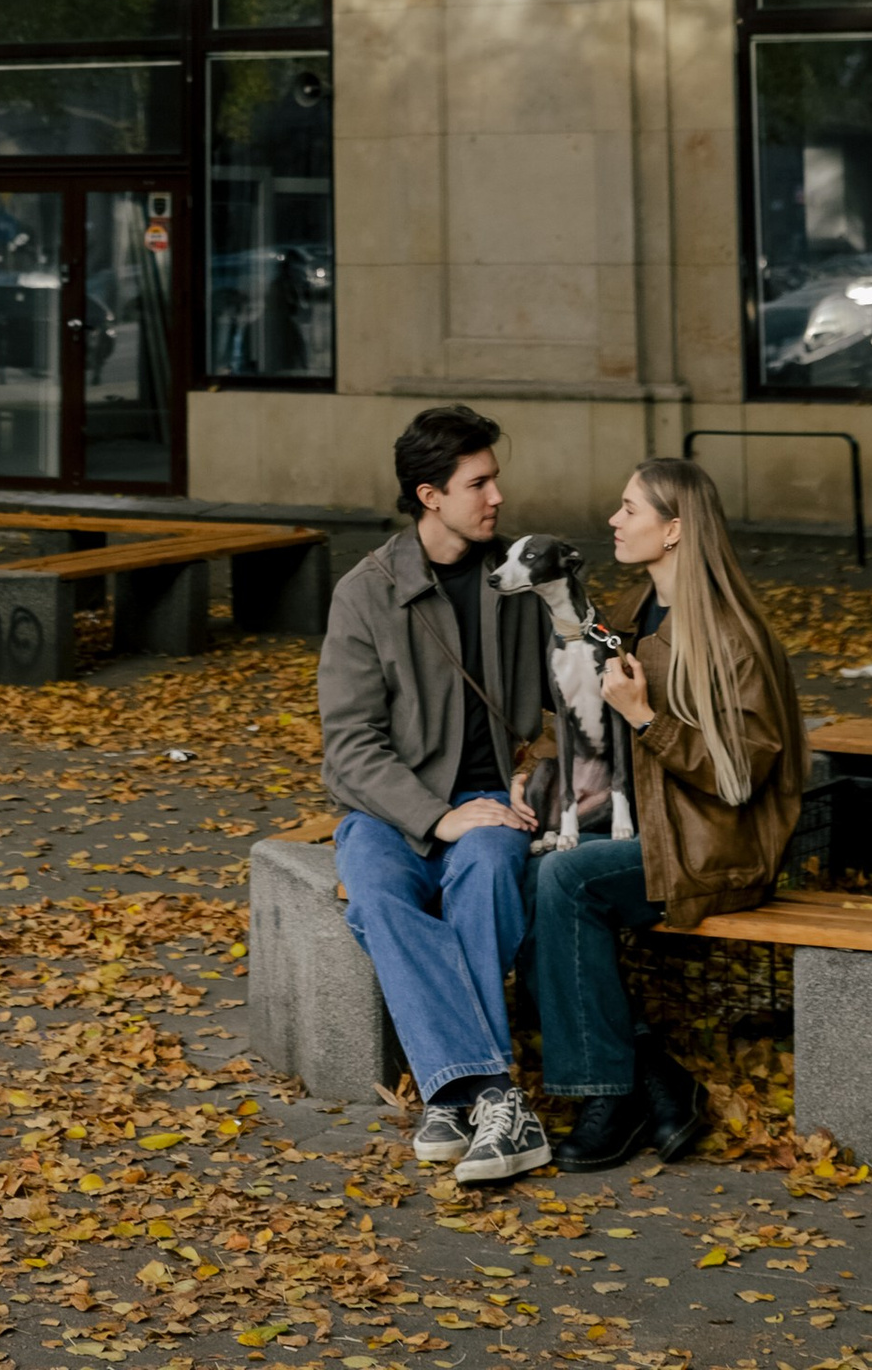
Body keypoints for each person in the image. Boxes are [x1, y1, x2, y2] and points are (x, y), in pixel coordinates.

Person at [529, 455, 808, 1167]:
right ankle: (652, 1074)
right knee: (514, 867)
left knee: (565, 883)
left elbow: (741, 775)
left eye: (630, 509)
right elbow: (577, 715)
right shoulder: (625, 614)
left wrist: (648, 718)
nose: (614, 521)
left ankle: (607, 1093)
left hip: (716, 844)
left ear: (676, 528)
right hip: (649, 824)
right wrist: (534, 776)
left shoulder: (731, 635)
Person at [319, 404, 556, 1187]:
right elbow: (349, 747)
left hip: (495, 797)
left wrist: (534, 769)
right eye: (477, 483)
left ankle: (452, 1100)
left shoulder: (521, 583)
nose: (495, 497)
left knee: (488, 871)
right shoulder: (367, 593)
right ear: (429, 496)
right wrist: (434, 814)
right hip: (393, 809)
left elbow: (570, 708)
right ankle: (493, 1092)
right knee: (380, 896)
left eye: (495, 480)